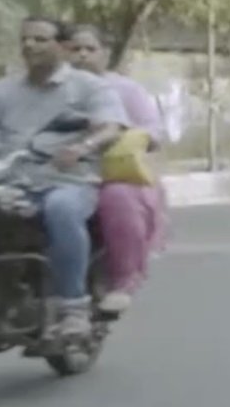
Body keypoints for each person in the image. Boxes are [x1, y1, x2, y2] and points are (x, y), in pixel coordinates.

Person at [0, 16, 127, 340]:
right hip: (10, 182)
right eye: (25, 39)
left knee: (61, 208)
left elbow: (110, 127)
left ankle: (73, 308)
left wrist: (83, 147)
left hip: (69, 181)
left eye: (40, 39)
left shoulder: (89, 87)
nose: (30, 45)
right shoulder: (2, 90)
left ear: (62, 47)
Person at [66, 24, 169, 315]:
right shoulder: (51, 88)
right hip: (57, 172)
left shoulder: (125, 90)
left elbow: (154, 131)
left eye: (90, 49)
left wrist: (130, 139)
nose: (82, 55)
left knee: (119, 198)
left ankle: (123, 281)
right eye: (75, 49)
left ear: (105, 54)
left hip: (113, 173)